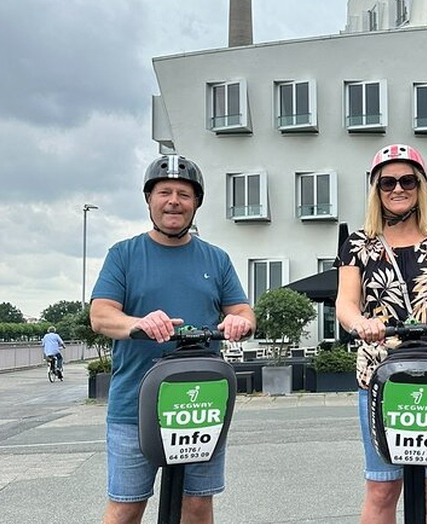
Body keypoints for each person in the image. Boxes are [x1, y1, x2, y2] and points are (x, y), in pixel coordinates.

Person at [90, 154, 255, 524]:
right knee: (126, 506)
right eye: (164, 192)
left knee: (196, 505)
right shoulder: (124, 255)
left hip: (200, 404)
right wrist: (139, 323)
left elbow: (243, 312)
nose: (174, 201)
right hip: (134, 405)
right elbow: (101, 315)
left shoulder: (216, 259)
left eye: (184, 193)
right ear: (149, 200)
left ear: (196, 203)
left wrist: (237, 324)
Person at [334, 144, 427, 524]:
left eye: (407, 181)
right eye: (387, 182)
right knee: (382, 488)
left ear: (420, 188)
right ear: (375, 189)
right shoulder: (356, 245)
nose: (398, 189)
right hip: (378, 376)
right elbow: (345, 304)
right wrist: (360, 324)